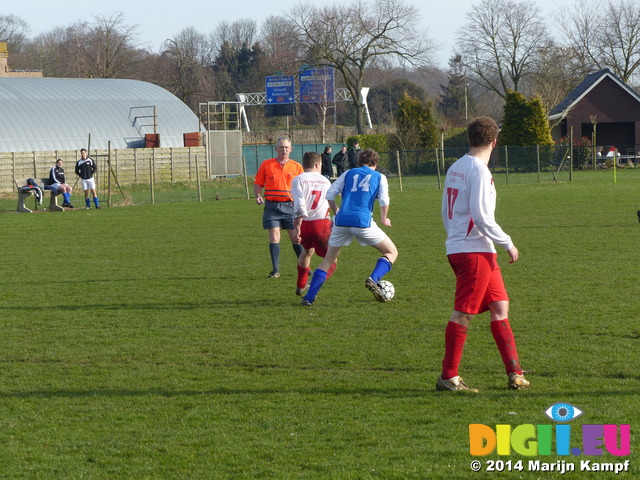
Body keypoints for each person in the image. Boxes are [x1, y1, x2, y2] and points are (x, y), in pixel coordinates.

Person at [437, 116, 529, 393]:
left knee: (500, 307)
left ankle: (515, 373)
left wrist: (455, 236)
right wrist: (508, 242)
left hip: (470, 248)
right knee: (463, 313)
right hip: (473, 250)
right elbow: (481, 216)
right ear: (494, 141)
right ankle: (448, 376)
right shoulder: (478, 169)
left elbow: (445, 210)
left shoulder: (457, 166)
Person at [302, 148, 398, 306]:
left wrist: (337, 212)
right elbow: (384, 200)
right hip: (362, 222)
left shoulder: (348, 173)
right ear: (375, 163)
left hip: (341, 221)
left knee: (328, 259)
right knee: (391, 252)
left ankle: (309, 298)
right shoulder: (379, 177)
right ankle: (373, 279)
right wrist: (384, 218)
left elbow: (330, 195)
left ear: (360, 161)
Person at [254, 137, 304, 278]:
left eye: (286, 147)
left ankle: (305, 268)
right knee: (274, 236)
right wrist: (258, 195)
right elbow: (258, 182)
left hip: (290, 206)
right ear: (276, 149)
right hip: (272, 206)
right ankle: (275, 270)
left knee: (295, 238)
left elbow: (303, 187)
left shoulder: (297, 167)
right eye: (281, 147)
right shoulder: (267, 164)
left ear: (291, 149)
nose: (284, 150)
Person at [292, 152, 337, 296]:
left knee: (307, 251)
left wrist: (297, 227)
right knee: (332, 259)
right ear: (317, 165)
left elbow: (299, 204)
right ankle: (313, 284)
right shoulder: (325, 181)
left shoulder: (298, 179)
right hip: (321, 225)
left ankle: (301, 284)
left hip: (305, 224)